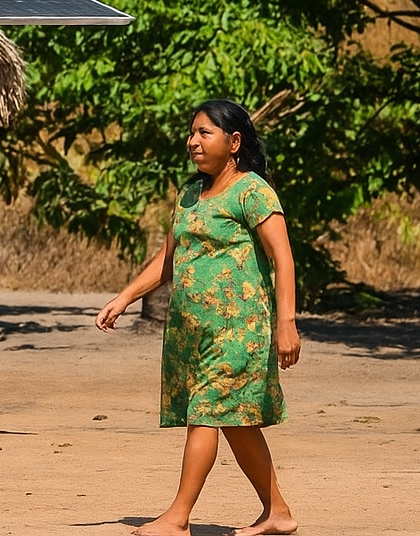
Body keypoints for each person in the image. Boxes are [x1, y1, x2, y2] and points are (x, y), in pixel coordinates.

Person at [95, 99, 301, 536]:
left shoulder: (252, 191)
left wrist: (287, 323)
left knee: (206, 414)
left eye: (204, 133)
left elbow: (282, 256)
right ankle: (278, 513)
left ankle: (177, 517)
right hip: (193, 333)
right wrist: (125, 297)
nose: (193, 141)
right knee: (236, 424)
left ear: (234, 142)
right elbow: (168, 260)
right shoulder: (189, 195)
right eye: (192, 133)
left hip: (238, 330)